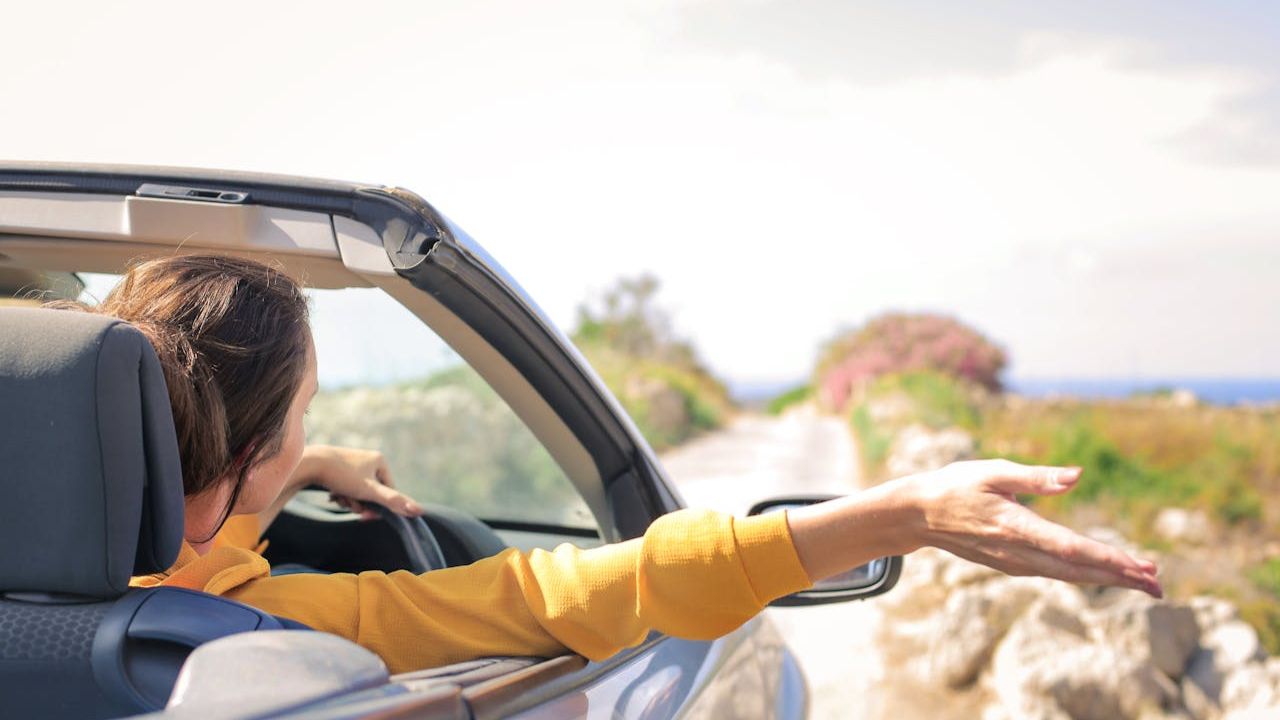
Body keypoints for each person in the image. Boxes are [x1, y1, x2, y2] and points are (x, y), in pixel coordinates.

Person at [59, 254, 1161, 675]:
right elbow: (578, 585)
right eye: (301, 417)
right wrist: (899, 518)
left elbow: (191, 513)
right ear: (249, 450)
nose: (308, 439)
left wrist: (303, 465)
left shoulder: (70, 565)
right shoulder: (263, 634)